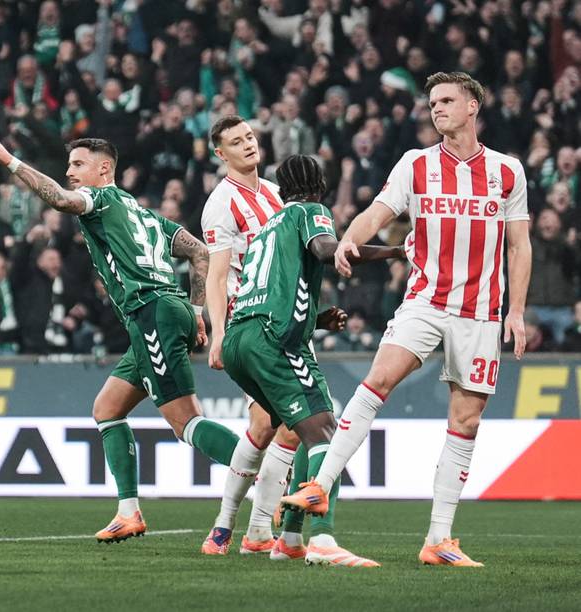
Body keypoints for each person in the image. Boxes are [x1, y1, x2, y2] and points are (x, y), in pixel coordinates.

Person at [283, 72, 532, 567]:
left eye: (446, 101)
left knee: (466, 419)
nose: (436, 109)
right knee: (378, 379)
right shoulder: (416, 165)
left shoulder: (507, 171)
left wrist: (517, 313)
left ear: (472, 107)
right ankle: (321, 484)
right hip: (425, 299)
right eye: (432, 102)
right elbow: (376, 211)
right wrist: (350, 237)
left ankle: (438, 540)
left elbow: (520, 244)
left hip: (481, 313)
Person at [0, 126, 240, 543]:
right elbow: (198, 251)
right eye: (68, 165)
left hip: (150, 311)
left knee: (186, 422)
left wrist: (10, 161)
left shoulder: (99, 199)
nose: (70, 172)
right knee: (107, 408)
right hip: (162, 311)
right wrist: (194, 313)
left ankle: (265, 476)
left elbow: (60, 200)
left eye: (78, 164)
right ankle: (128, 512)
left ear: (105, 170)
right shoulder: (144, 213)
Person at [215, 154, 401, 568]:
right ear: (321, 184)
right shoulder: (310, 211)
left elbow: (271, 287)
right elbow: (324, 249)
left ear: (281, 190)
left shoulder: (267, 228)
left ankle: (289, 538)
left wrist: (316, 319)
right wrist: (394, 250)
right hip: (273, 341)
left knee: (299, 428)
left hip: (238, 339)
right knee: (324, 428)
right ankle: (322, 540)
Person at [200, 114, 343, 558]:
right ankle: (233, 525)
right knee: (270, 425)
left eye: (249, 137)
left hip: (287, 323)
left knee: (284, 428)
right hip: (254, 326)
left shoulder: (280, 195)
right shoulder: (221, 204)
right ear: (220, 154)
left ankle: (256, 531)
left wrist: (314, 316)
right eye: (235, 142)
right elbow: (217, 275)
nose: (247, 145)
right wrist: (219, 334)